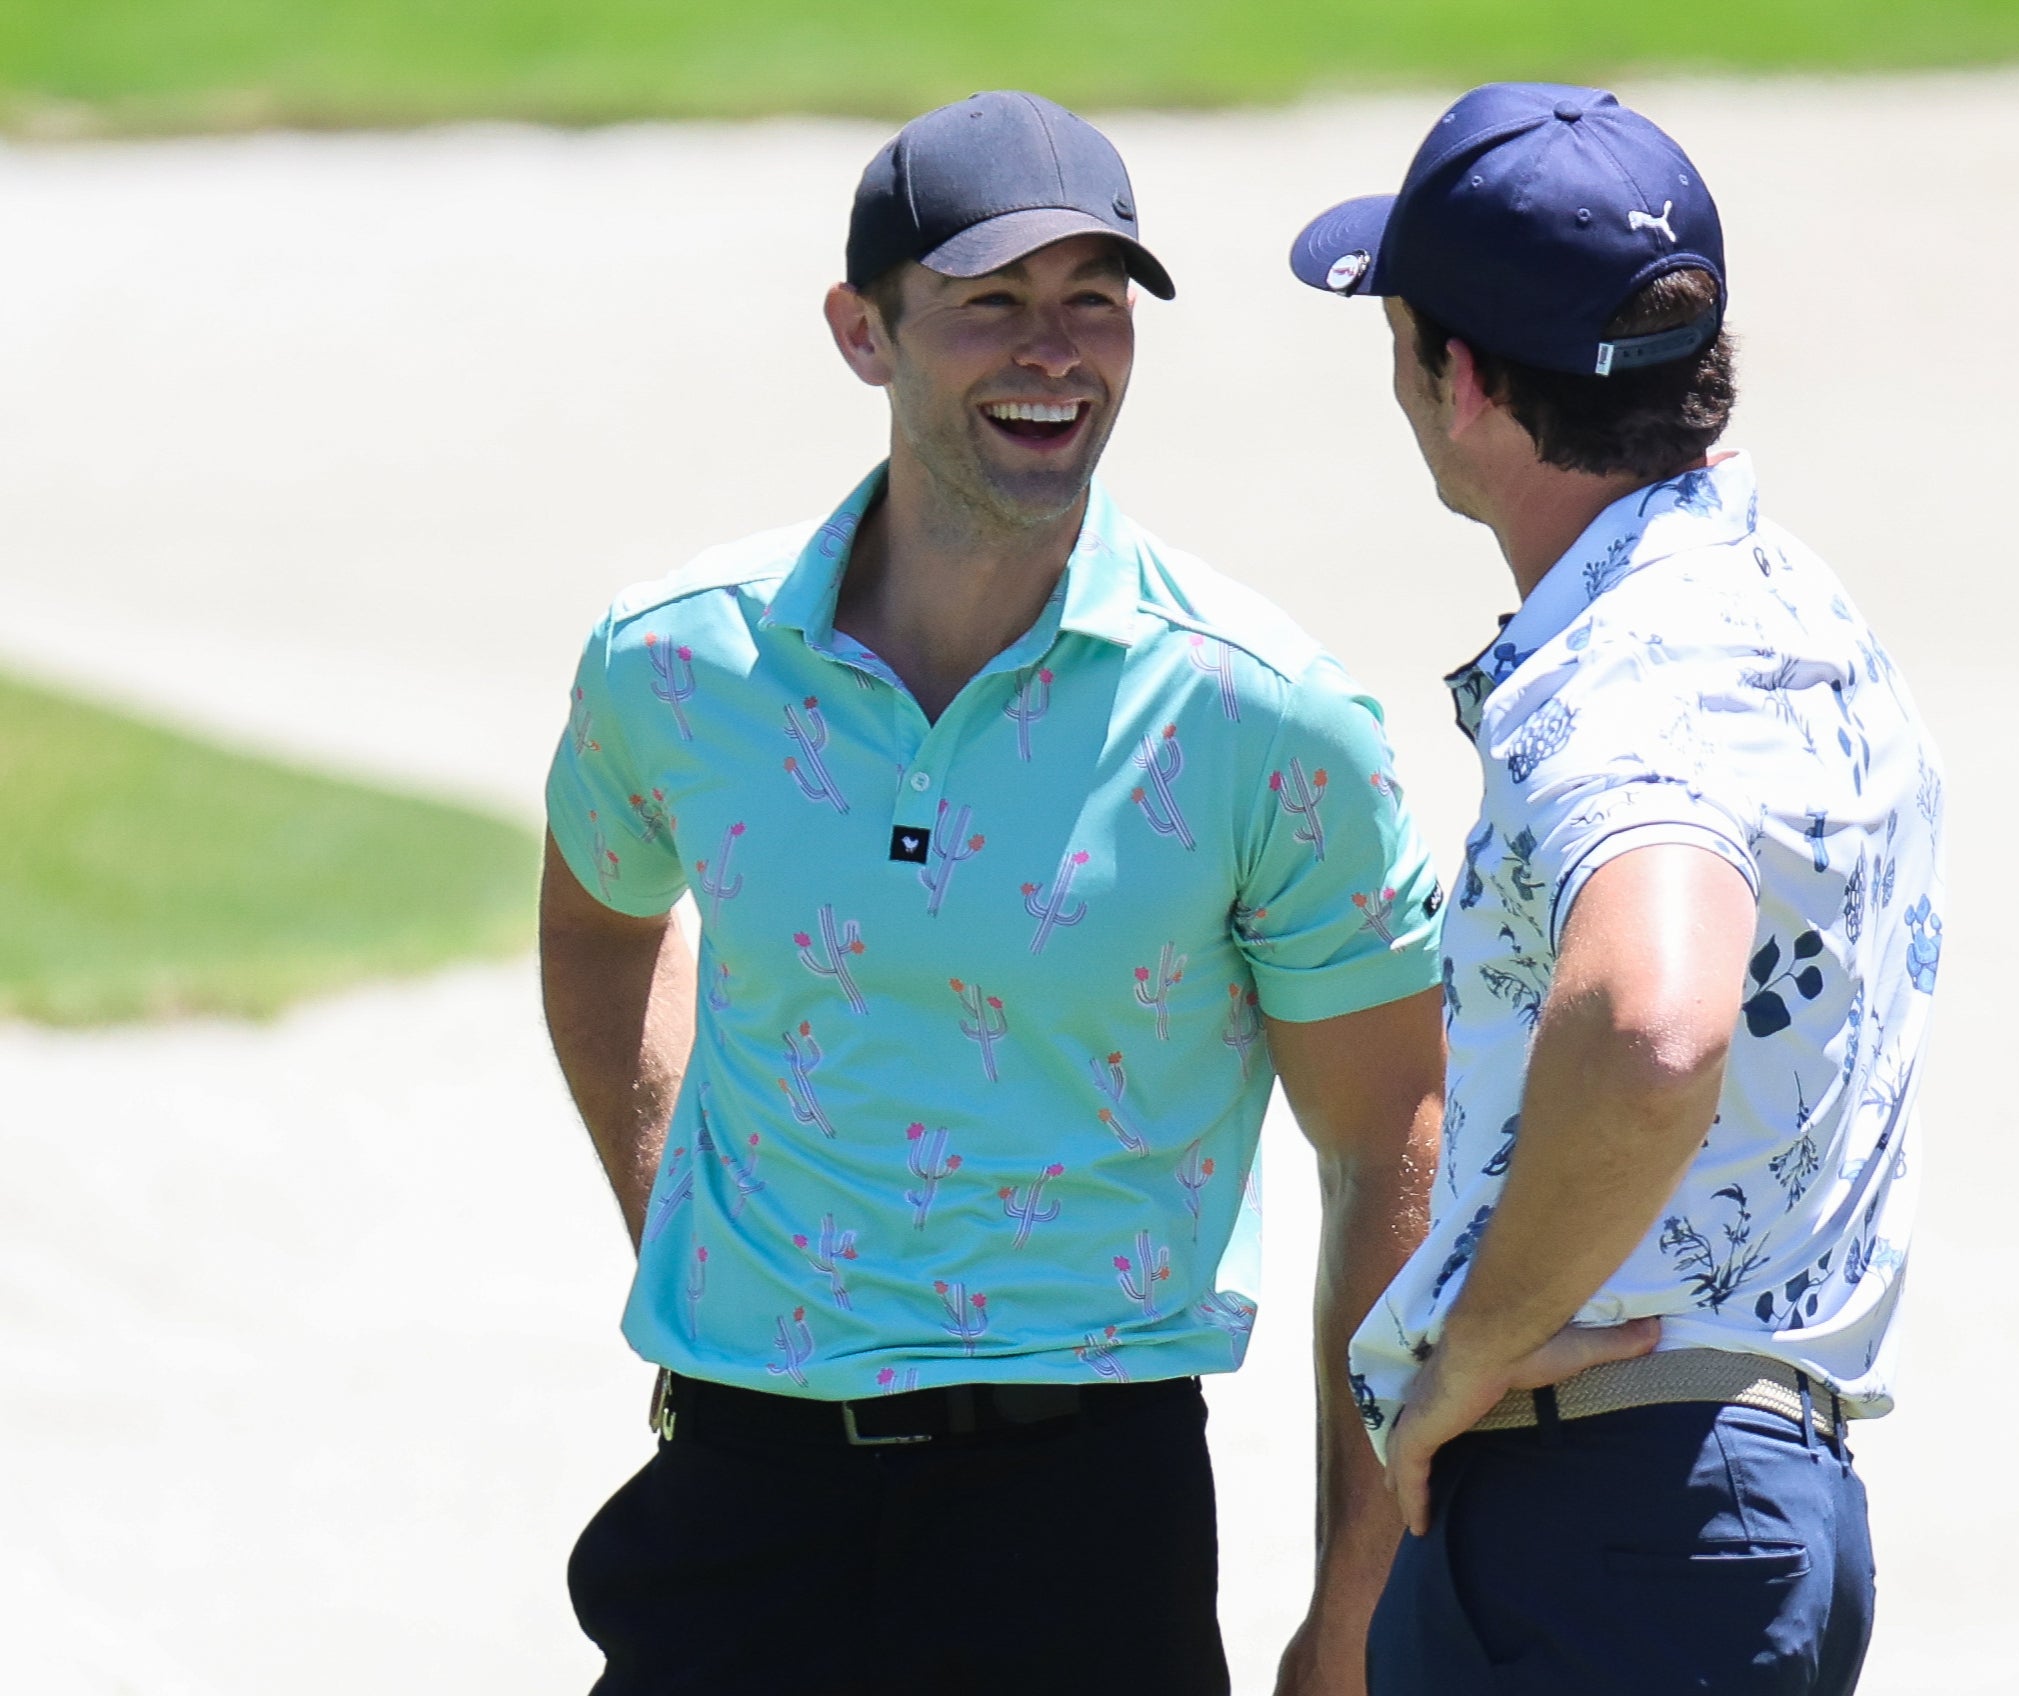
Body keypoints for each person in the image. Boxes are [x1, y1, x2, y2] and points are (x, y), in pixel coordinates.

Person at [540, 90, 1455, 1695]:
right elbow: (602, 927)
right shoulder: (676, 665)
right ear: (862, 332)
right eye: (993, 307)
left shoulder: (1262, 718)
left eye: (1094, 304)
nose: (1058, 353)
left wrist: (1356, 1604)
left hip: (1078, 1518)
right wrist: (680, 1217)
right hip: (736, 1488)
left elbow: (1392, 1145)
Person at [1288, 84, 1945, 1694]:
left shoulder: (1635, 673)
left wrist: (1480, 1348)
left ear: (1457, 378)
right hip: (1712, 1510)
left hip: (1613, 1521)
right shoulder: (1788, 605)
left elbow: (1653, 1021)